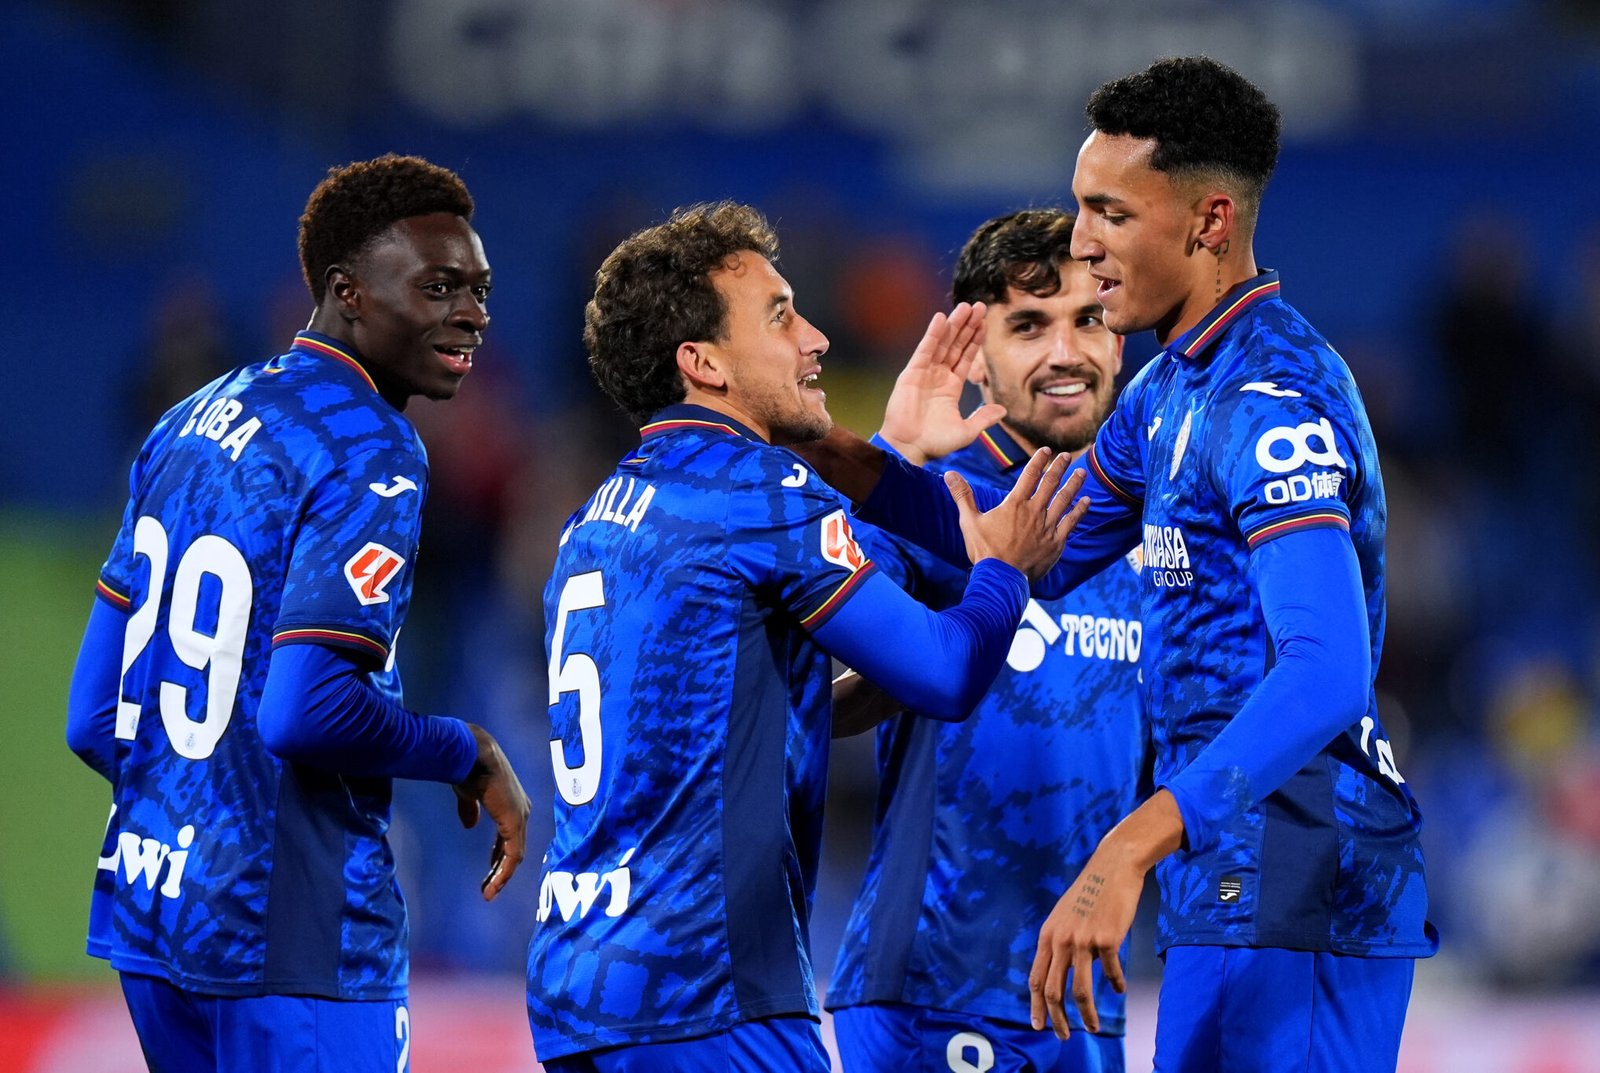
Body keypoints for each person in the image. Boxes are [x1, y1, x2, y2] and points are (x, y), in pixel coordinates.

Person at [792, 57, 1437, 1073]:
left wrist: (1126, 845)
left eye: (1108, 212)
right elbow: (1017, 550)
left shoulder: (1268, 401)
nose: (1082, 242)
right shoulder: (1166, 395)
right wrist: (875, 457)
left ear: (1208, 222)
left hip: (1304, 873)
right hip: (1224, 883)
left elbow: (1327, 670)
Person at [526, 200, 1088, 1073]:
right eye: (781, 314)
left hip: (578, 990)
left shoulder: (597, 518)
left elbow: (755, 708)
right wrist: (1005, 568)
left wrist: (894, 453)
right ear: (702, 361)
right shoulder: (759, 491)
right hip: (710, 991)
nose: (815, 338)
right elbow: (945, 673)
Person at [65, 153, 531, 1073]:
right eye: (438, 287)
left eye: (478, 289)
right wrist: (464, 750)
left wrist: (194, 825)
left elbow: (91, 714)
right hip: (293, 940)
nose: (471, 314)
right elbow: (306, 711)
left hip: (156, 914)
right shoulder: (368, 446)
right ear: (348, 292)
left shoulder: (187, 421)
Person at [826, 208, 1147, 1073]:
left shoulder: (1153, 521)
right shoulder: (933, 498)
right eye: (1029, 325)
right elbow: (806, 691)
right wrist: (890, 457)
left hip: (1087, 1003)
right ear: (979, 353)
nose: (1066, 351)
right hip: (937, 988)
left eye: (1090, 318)